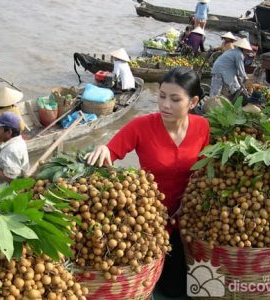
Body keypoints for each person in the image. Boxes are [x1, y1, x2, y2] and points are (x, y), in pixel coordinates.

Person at [86, 67, 210, 297]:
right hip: (149, 220)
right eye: (161, 96)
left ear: (193, 102)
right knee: (158, 285)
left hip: (186, 218)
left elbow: (203, 172)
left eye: (175, 99)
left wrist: (187, 205)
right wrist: (102, 148)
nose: (165, 105)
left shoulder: (202, 127)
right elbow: (111, 151)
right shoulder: (141, 126)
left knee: (184, 285)